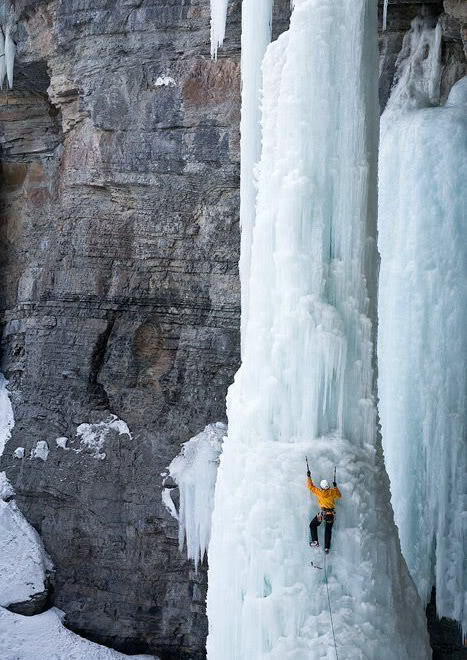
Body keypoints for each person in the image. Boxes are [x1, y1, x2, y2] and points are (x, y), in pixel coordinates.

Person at [307, 468, 341, 553]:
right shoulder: (332, 492)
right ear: (328, 486)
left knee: (312, 525)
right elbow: (339, 495)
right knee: (328, 530)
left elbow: (310, 487)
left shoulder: (320, 493)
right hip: (331, 515)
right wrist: (335, 487)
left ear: (322, 487)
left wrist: (309, 476)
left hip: (323, 514)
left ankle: (315, 541)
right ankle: (327, 548)